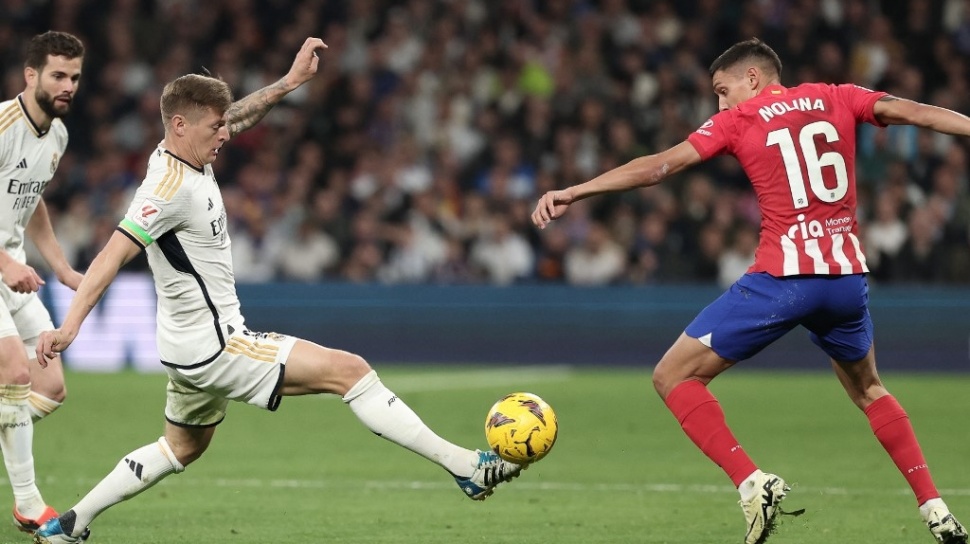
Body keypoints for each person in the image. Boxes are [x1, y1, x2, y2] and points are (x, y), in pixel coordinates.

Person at [32, 37, 522, 544]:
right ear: (179, 125)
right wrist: (70, 327)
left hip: (184, 349)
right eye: (215, 127)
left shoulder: (187, 151)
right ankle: (466, 466)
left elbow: (238, 116)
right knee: (350, 371)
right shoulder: (166, 189)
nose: (226, 133)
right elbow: (111, 256)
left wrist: (288, 83)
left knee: (180, 448)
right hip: (216, 345)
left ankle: (70, 523)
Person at [532, 38, 969, 544]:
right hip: (846, 281)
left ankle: (751, 482)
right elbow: (916, 112)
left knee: (672, 376)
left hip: (784, 281)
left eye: (723, 90)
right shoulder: (839, 95)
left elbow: (659, 166)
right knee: (870, 388)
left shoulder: (740, 119)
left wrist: (577, 190)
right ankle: (934, 506)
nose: (720, 104)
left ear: (754, 78)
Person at [0, 30, 86, 535]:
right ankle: (29, 505)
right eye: (58, 75)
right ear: (31, 75)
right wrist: (6, 265)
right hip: (3, 268)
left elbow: (31, 204)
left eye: (74, 77)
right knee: (13, 374)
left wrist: (61, 267)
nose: (68, 85)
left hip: (12, 270)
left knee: (50, 387)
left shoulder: (57, 136)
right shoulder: (2, 126)